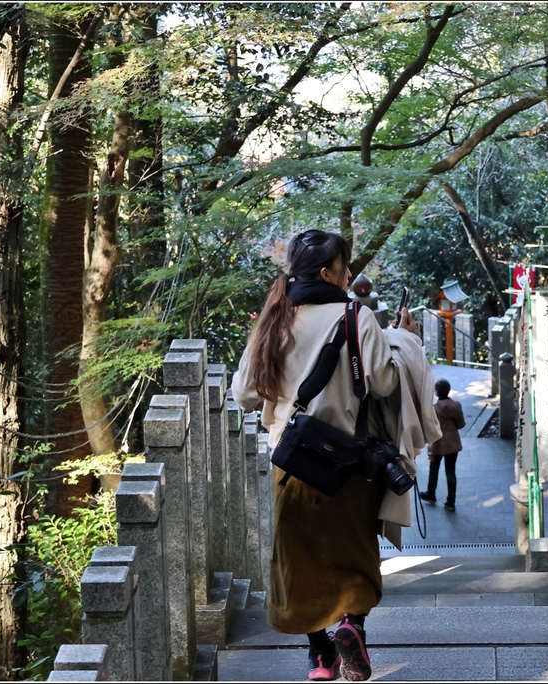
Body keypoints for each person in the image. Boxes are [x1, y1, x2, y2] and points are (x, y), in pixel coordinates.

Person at [231, 229, 439, 682]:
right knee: (355, 553)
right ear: (328, 273)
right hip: (349, 461)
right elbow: (384, 384)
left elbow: (244, 393)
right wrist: (401, 340)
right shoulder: (355, 317)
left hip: (293, 464)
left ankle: (320, 656)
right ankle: (351, 626)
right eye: (345, 269)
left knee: (299, 558)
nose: (349, 276)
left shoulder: (274, 318)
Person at [420, 378, 465, 512]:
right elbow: (461, 424)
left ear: (437, 393)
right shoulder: (456, 405)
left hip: (437, 443)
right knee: (450, 471)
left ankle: (431, 494)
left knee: (434, 469)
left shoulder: (433, 409)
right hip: (452, 442)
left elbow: (430, 430)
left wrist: (429, 451)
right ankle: (451, 502)